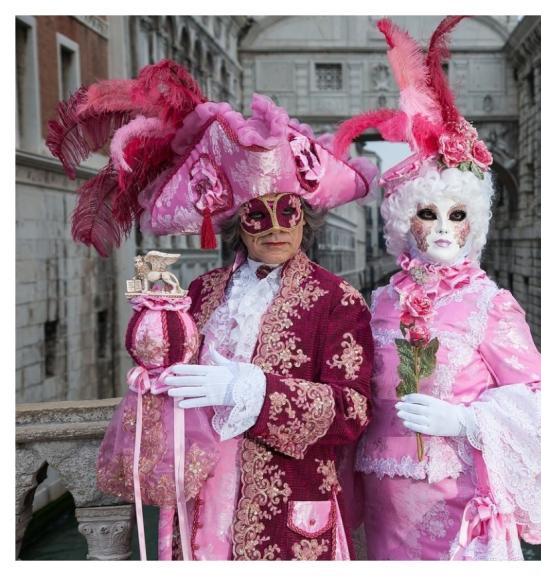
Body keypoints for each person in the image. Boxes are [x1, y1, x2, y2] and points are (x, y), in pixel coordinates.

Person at [48, 60, 377, 560]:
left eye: (287, 211)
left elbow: (352, 412)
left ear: (304, 219)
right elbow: (168, 376)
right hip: (200, 505)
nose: (274, 227)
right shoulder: (201, 292)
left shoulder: (337, 299)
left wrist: (250, 391)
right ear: (236, 225)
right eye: (256, 214)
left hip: (287, 513)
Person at [332, 17, 541, 560]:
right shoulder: (379, 302)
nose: (444, 227)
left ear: (475, 223)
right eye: (428, 213)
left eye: (457, 214)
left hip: (457, 500)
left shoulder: (489, 304)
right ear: (405, 223)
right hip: (382, 499)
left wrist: (468, 420)